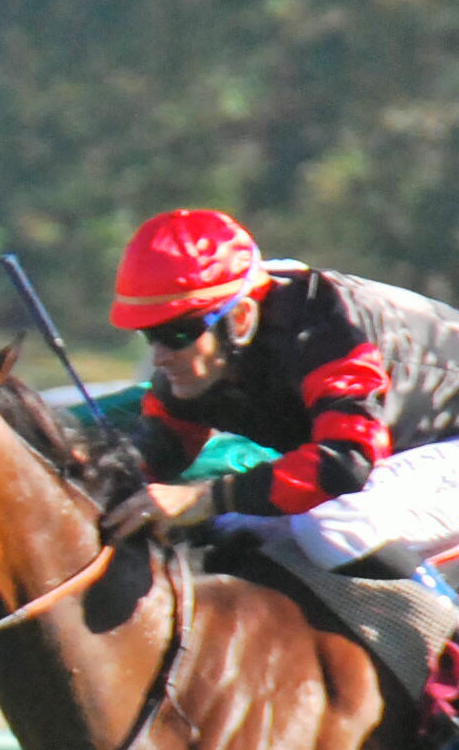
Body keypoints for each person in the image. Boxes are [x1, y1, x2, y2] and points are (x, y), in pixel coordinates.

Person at [100, 209, 459, 582]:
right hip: (399, 452)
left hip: (437, 442)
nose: (159, 355)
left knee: (335, 527)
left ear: (240, 318)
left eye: (176, 334)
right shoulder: (199, 358)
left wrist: (202, 498)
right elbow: (161, 448)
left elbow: (345, 462)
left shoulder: (328, 330)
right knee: (230, 529)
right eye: (150, 334)